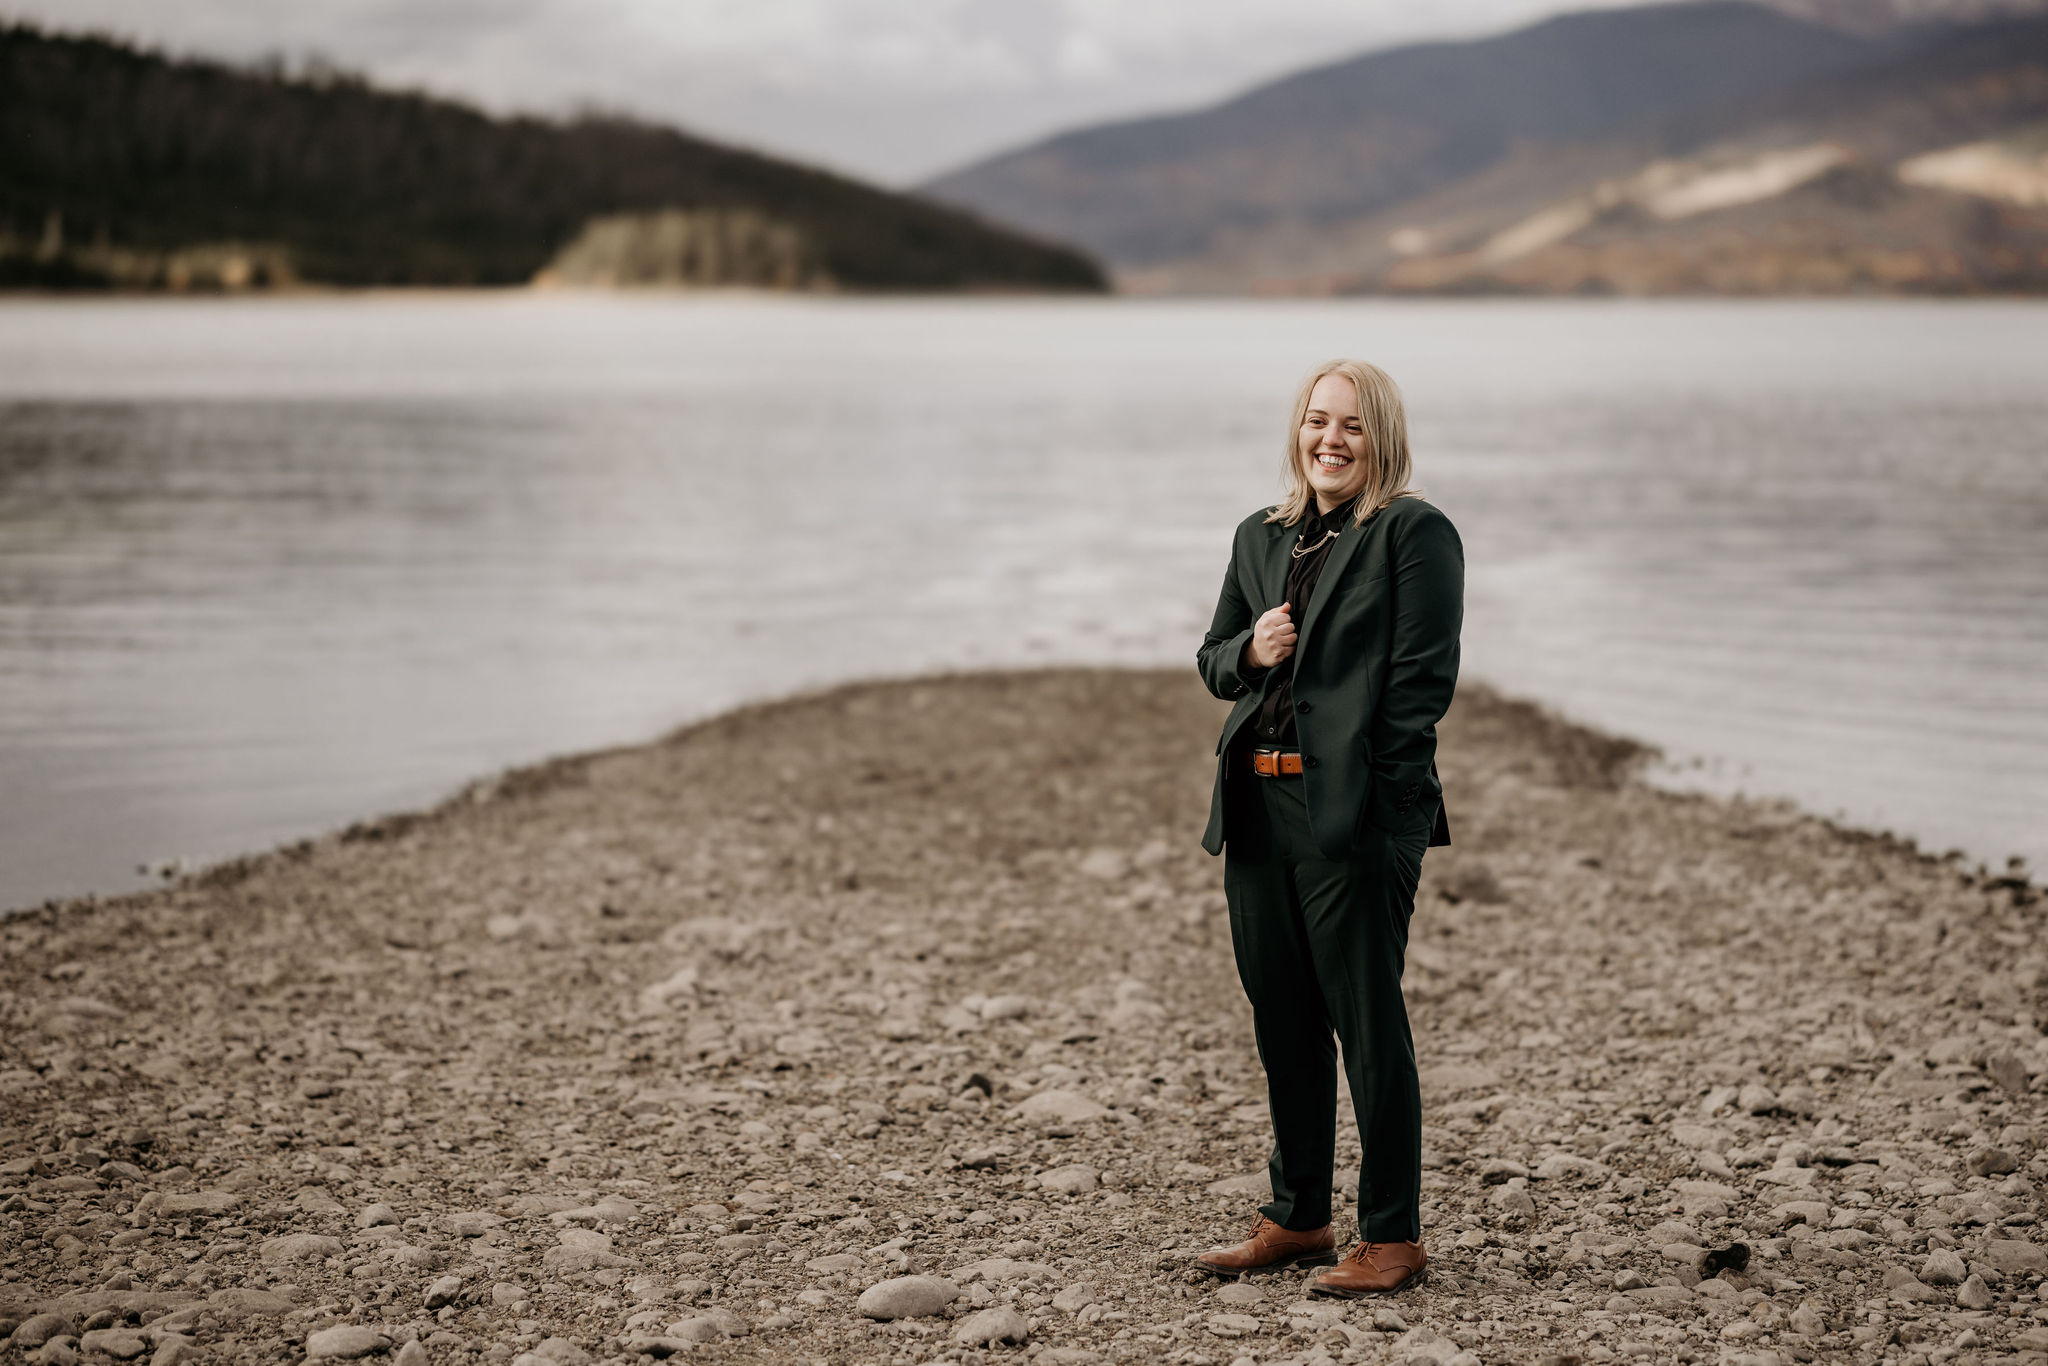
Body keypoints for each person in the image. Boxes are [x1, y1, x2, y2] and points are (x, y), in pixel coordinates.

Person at [1192, 358, 1463, 1296]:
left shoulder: (1413, 533)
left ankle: (1392, 1237)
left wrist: (1379, 807)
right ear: (1298, 431)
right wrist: (1249, 649)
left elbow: (1422, 685)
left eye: (1351, 425)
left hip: (1352, 813)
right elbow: (1212, 657)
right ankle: (1300, 1215)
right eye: (1317, 422)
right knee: (1284, 1020)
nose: (1330, 440)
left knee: (1366, 1019)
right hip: (1258, 807)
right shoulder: (1258, 536)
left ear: (1380, 436)